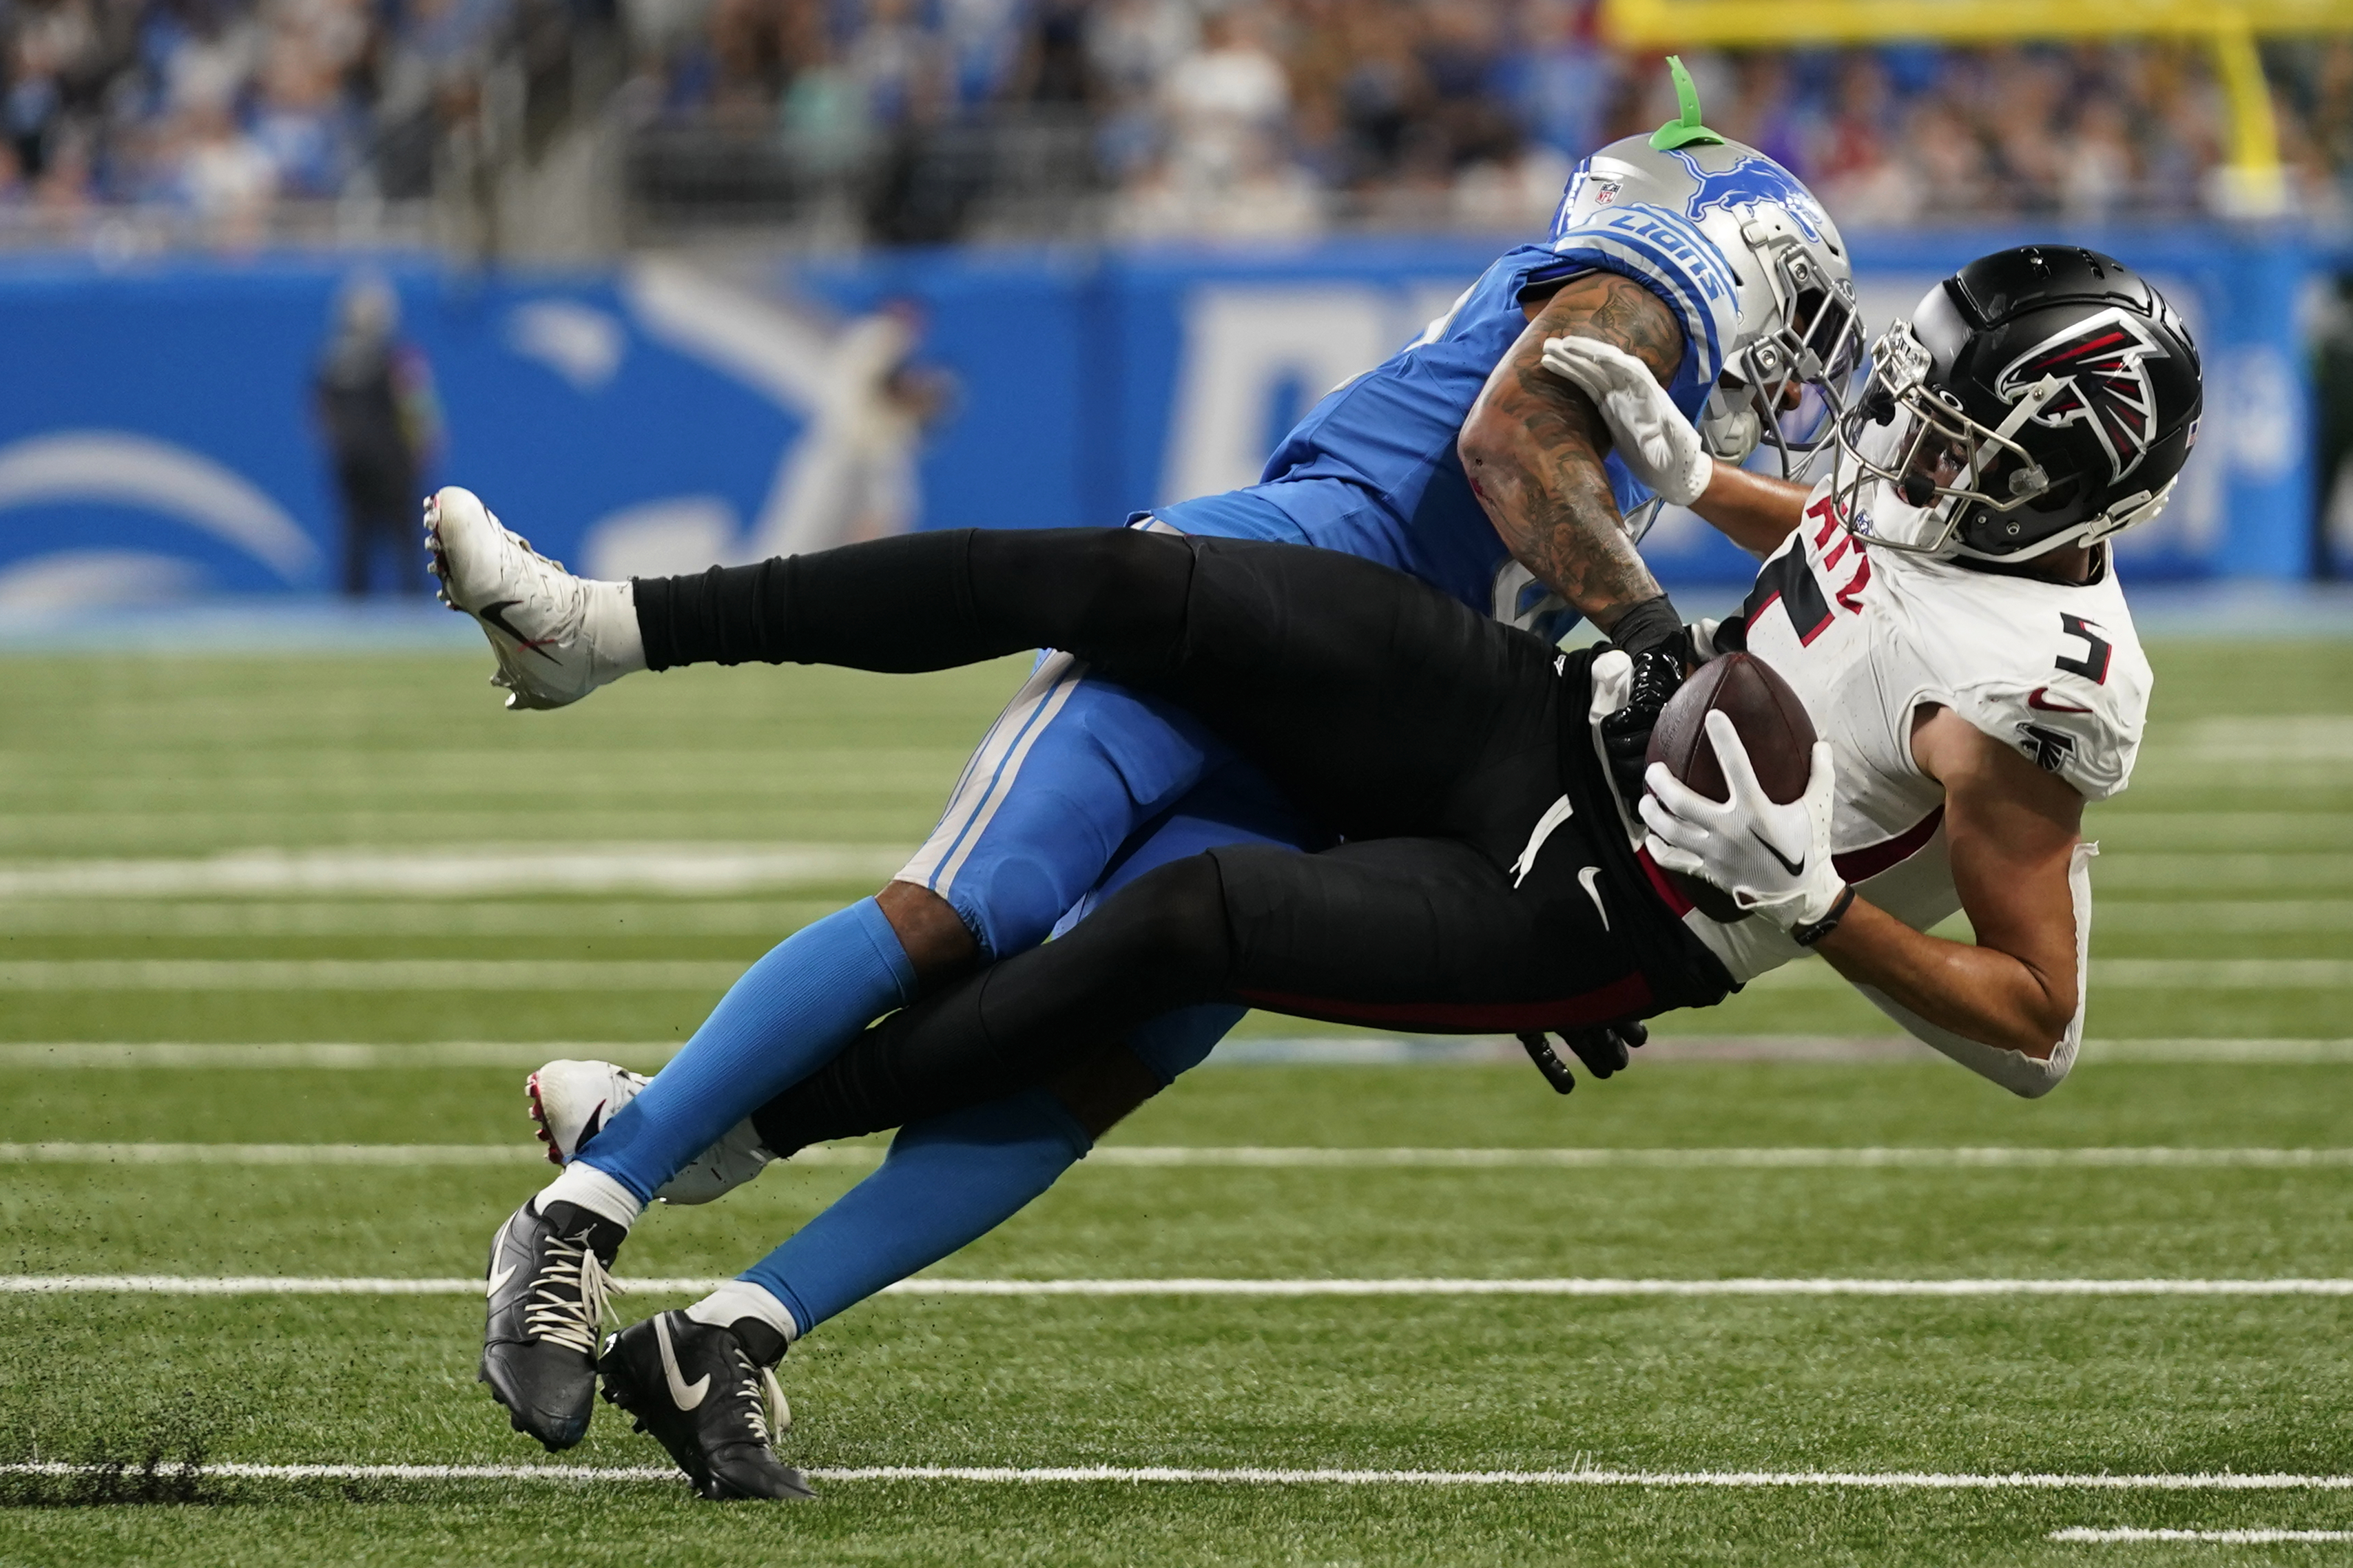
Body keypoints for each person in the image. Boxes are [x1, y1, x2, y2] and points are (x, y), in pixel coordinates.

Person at [443, 243, 2199, 1501]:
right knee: (1143, 580)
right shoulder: (1956, 506)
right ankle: (614, 634)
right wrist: (1708, 479)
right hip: (1541, 715)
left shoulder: (2033, 698)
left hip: (1614, 905)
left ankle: (724, 1249)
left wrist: (1815, 907)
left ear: (2061, 484)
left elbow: (2035, 1025)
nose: (1906, 449)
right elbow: (1867, 555)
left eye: (1959, 440)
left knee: (1187, 936)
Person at [315, 275, 442, 596]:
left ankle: (353, 606)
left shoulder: (333, 360)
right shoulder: (398, 358)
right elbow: (417, 407)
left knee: (358, 535)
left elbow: (320, 412)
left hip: (352, 461)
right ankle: (411, 603)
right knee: (403, 537)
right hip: (392, 460)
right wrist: (424, 446)